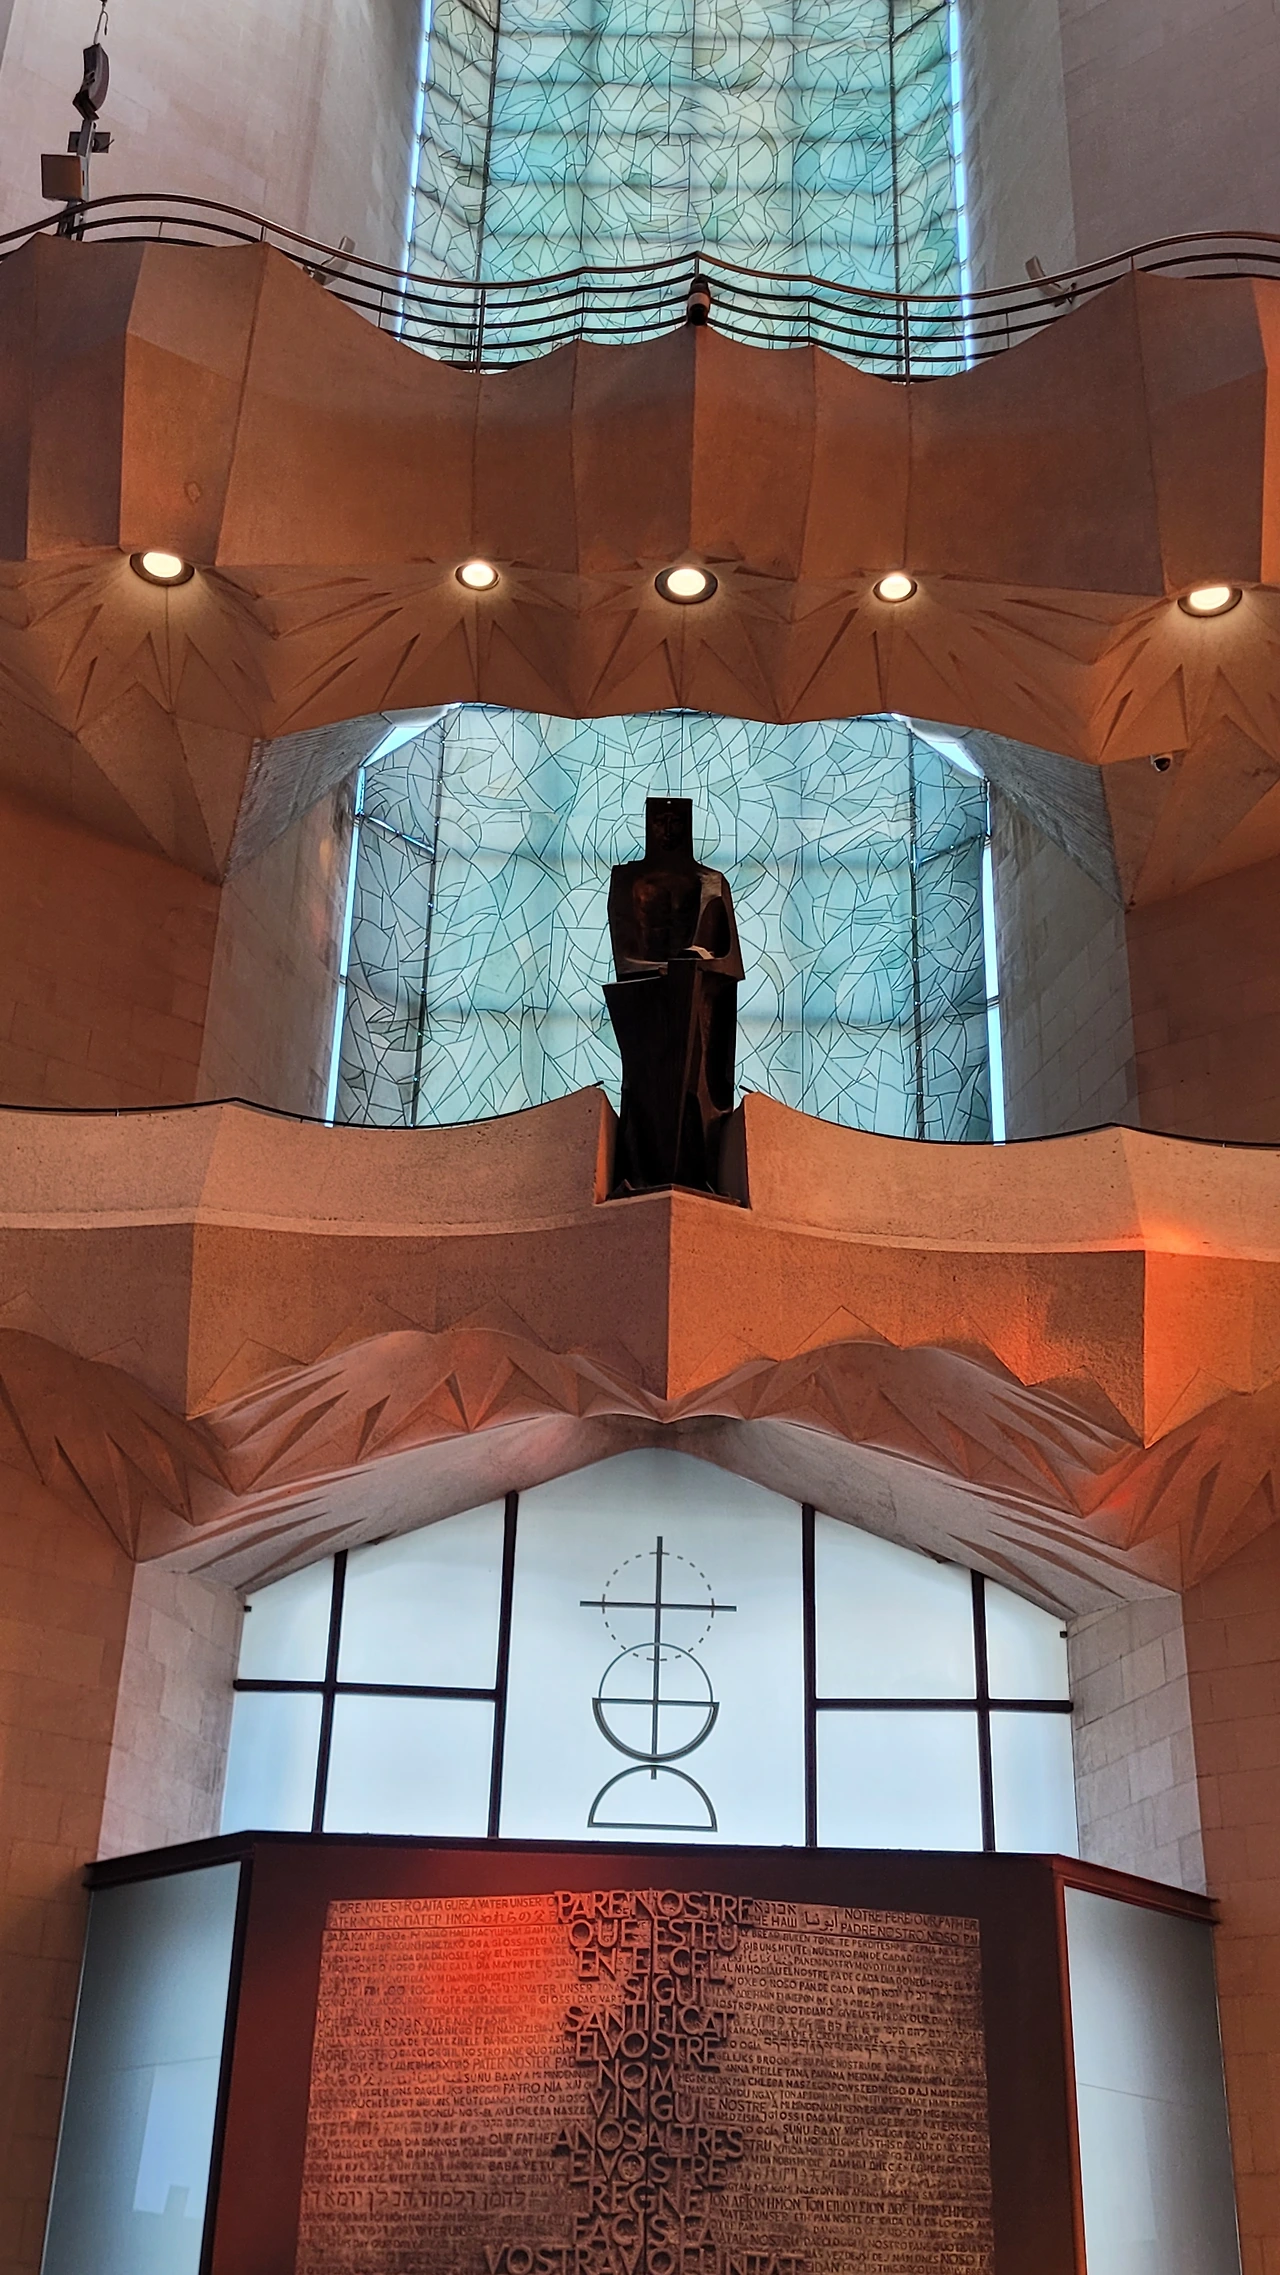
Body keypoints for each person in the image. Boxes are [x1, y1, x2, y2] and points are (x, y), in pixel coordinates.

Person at [604, 797, 743, 1194]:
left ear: (689, 827)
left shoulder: (711, 881)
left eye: (675, 822)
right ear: (649, 825)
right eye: (660, 822)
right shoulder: (627, 880)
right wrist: (663, 970)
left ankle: (695, 1174)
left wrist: (697, 962)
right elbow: (624, 951)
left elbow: (729, 957)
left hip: (697, 1000)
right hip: (646, 1000)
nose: (668, 831)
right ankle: (642, 1170)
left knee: (695, 1090)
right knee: (642, 1087)